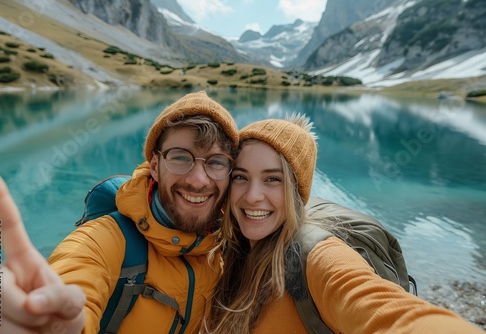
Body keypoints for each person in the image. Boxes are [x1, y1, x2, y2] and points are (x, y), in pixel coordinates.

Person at [0, 90, 239, 333]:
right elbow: (75, 277)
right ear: (154, 166)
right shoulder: (105, 239)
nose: (198, 180)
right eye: (180, 157)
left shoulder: (227, 246)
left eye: (216, 162)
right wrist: (57, 321)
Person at [204, 114, 484, 334]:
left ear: (297, 192)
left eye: (273, 179)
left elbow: (388, 312)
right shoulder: (228, 248)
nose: (252, 197)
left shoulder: (317, 256)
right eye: (241, 177)